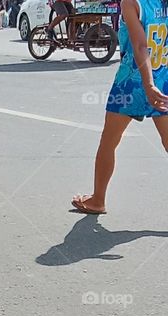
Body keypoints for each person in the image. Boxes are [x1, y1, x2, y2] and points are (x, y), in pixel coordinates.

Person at [72, 0, 168, 213]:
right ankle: (97, 199)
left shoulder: (131, 2)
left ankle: (98, 200)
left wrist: (148, 84)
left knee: (109, 140)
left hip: (131, 81)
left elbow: (140, 46)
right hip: (162, 77)